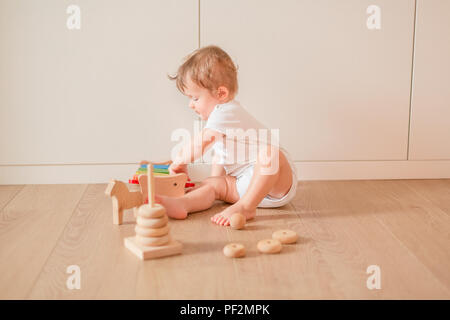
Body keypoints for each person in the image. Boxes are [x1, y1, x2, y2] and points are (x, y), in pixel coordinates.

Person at [154, 45, 297, 226]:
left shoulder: (227, 111)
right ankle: (183, 204)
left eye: (195, 98)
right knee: (211, 184)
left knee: (271, 154)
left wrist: (180, 160)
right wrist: (215, 182)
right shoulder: (219, 122)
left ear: (221, 93)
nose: (191, 105)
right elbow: (220, 158)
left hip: (276, 183)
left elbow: (203, 142)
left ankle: (246, 207)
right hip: (243, 184)